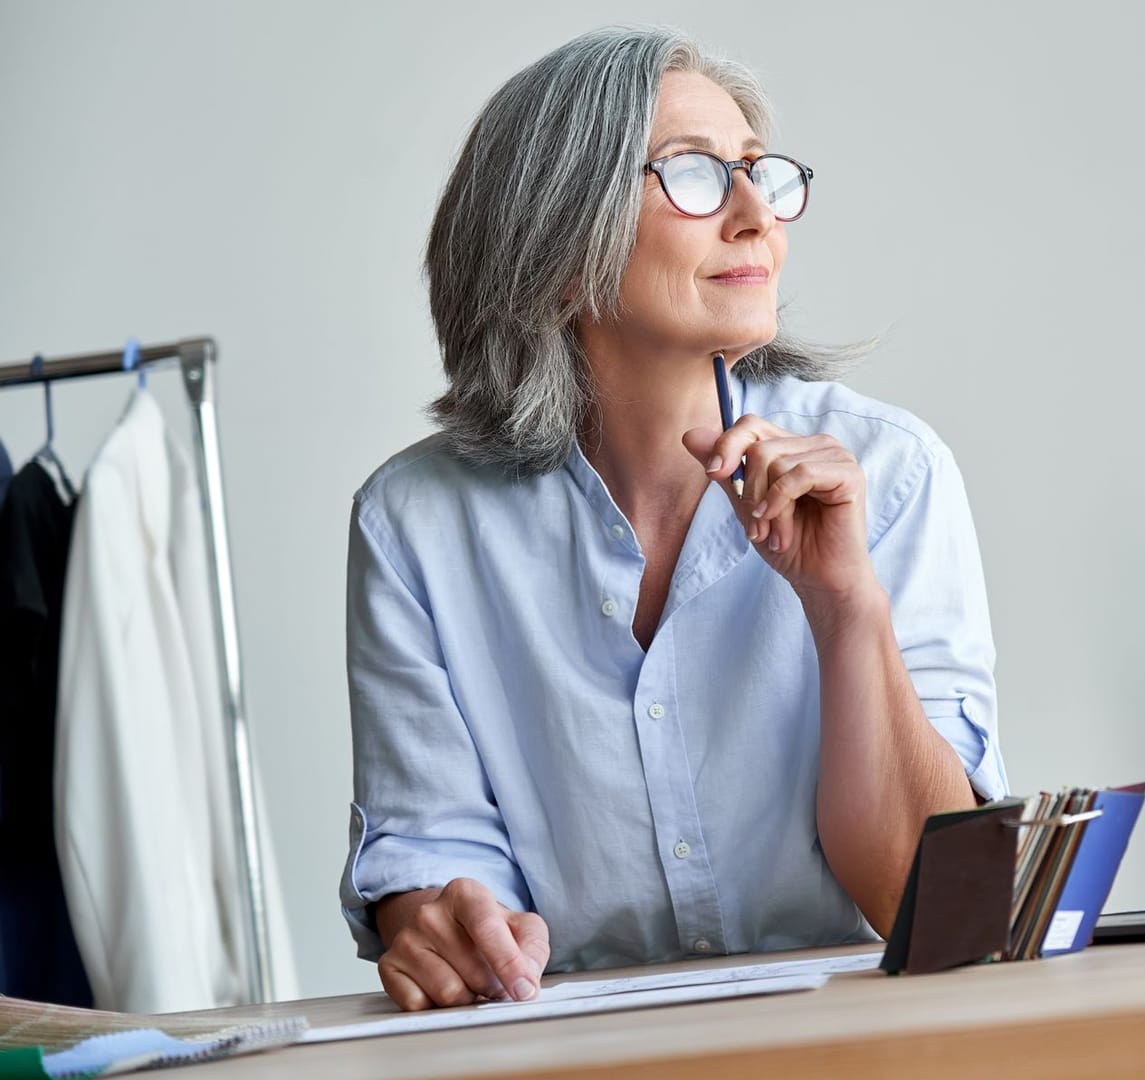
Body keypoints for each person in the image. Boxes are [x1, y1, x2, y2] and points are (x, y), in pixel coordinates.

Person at [339, 26, 1007, 1012]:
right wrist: (440, 923)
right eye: (694, 175)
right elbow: (434, 863)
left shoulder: (892, 475)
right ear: (560, 250)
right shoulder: (416, 526)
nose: (754, 216)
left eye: (757, 173)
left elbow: (931, 901)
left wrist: (845, 603)